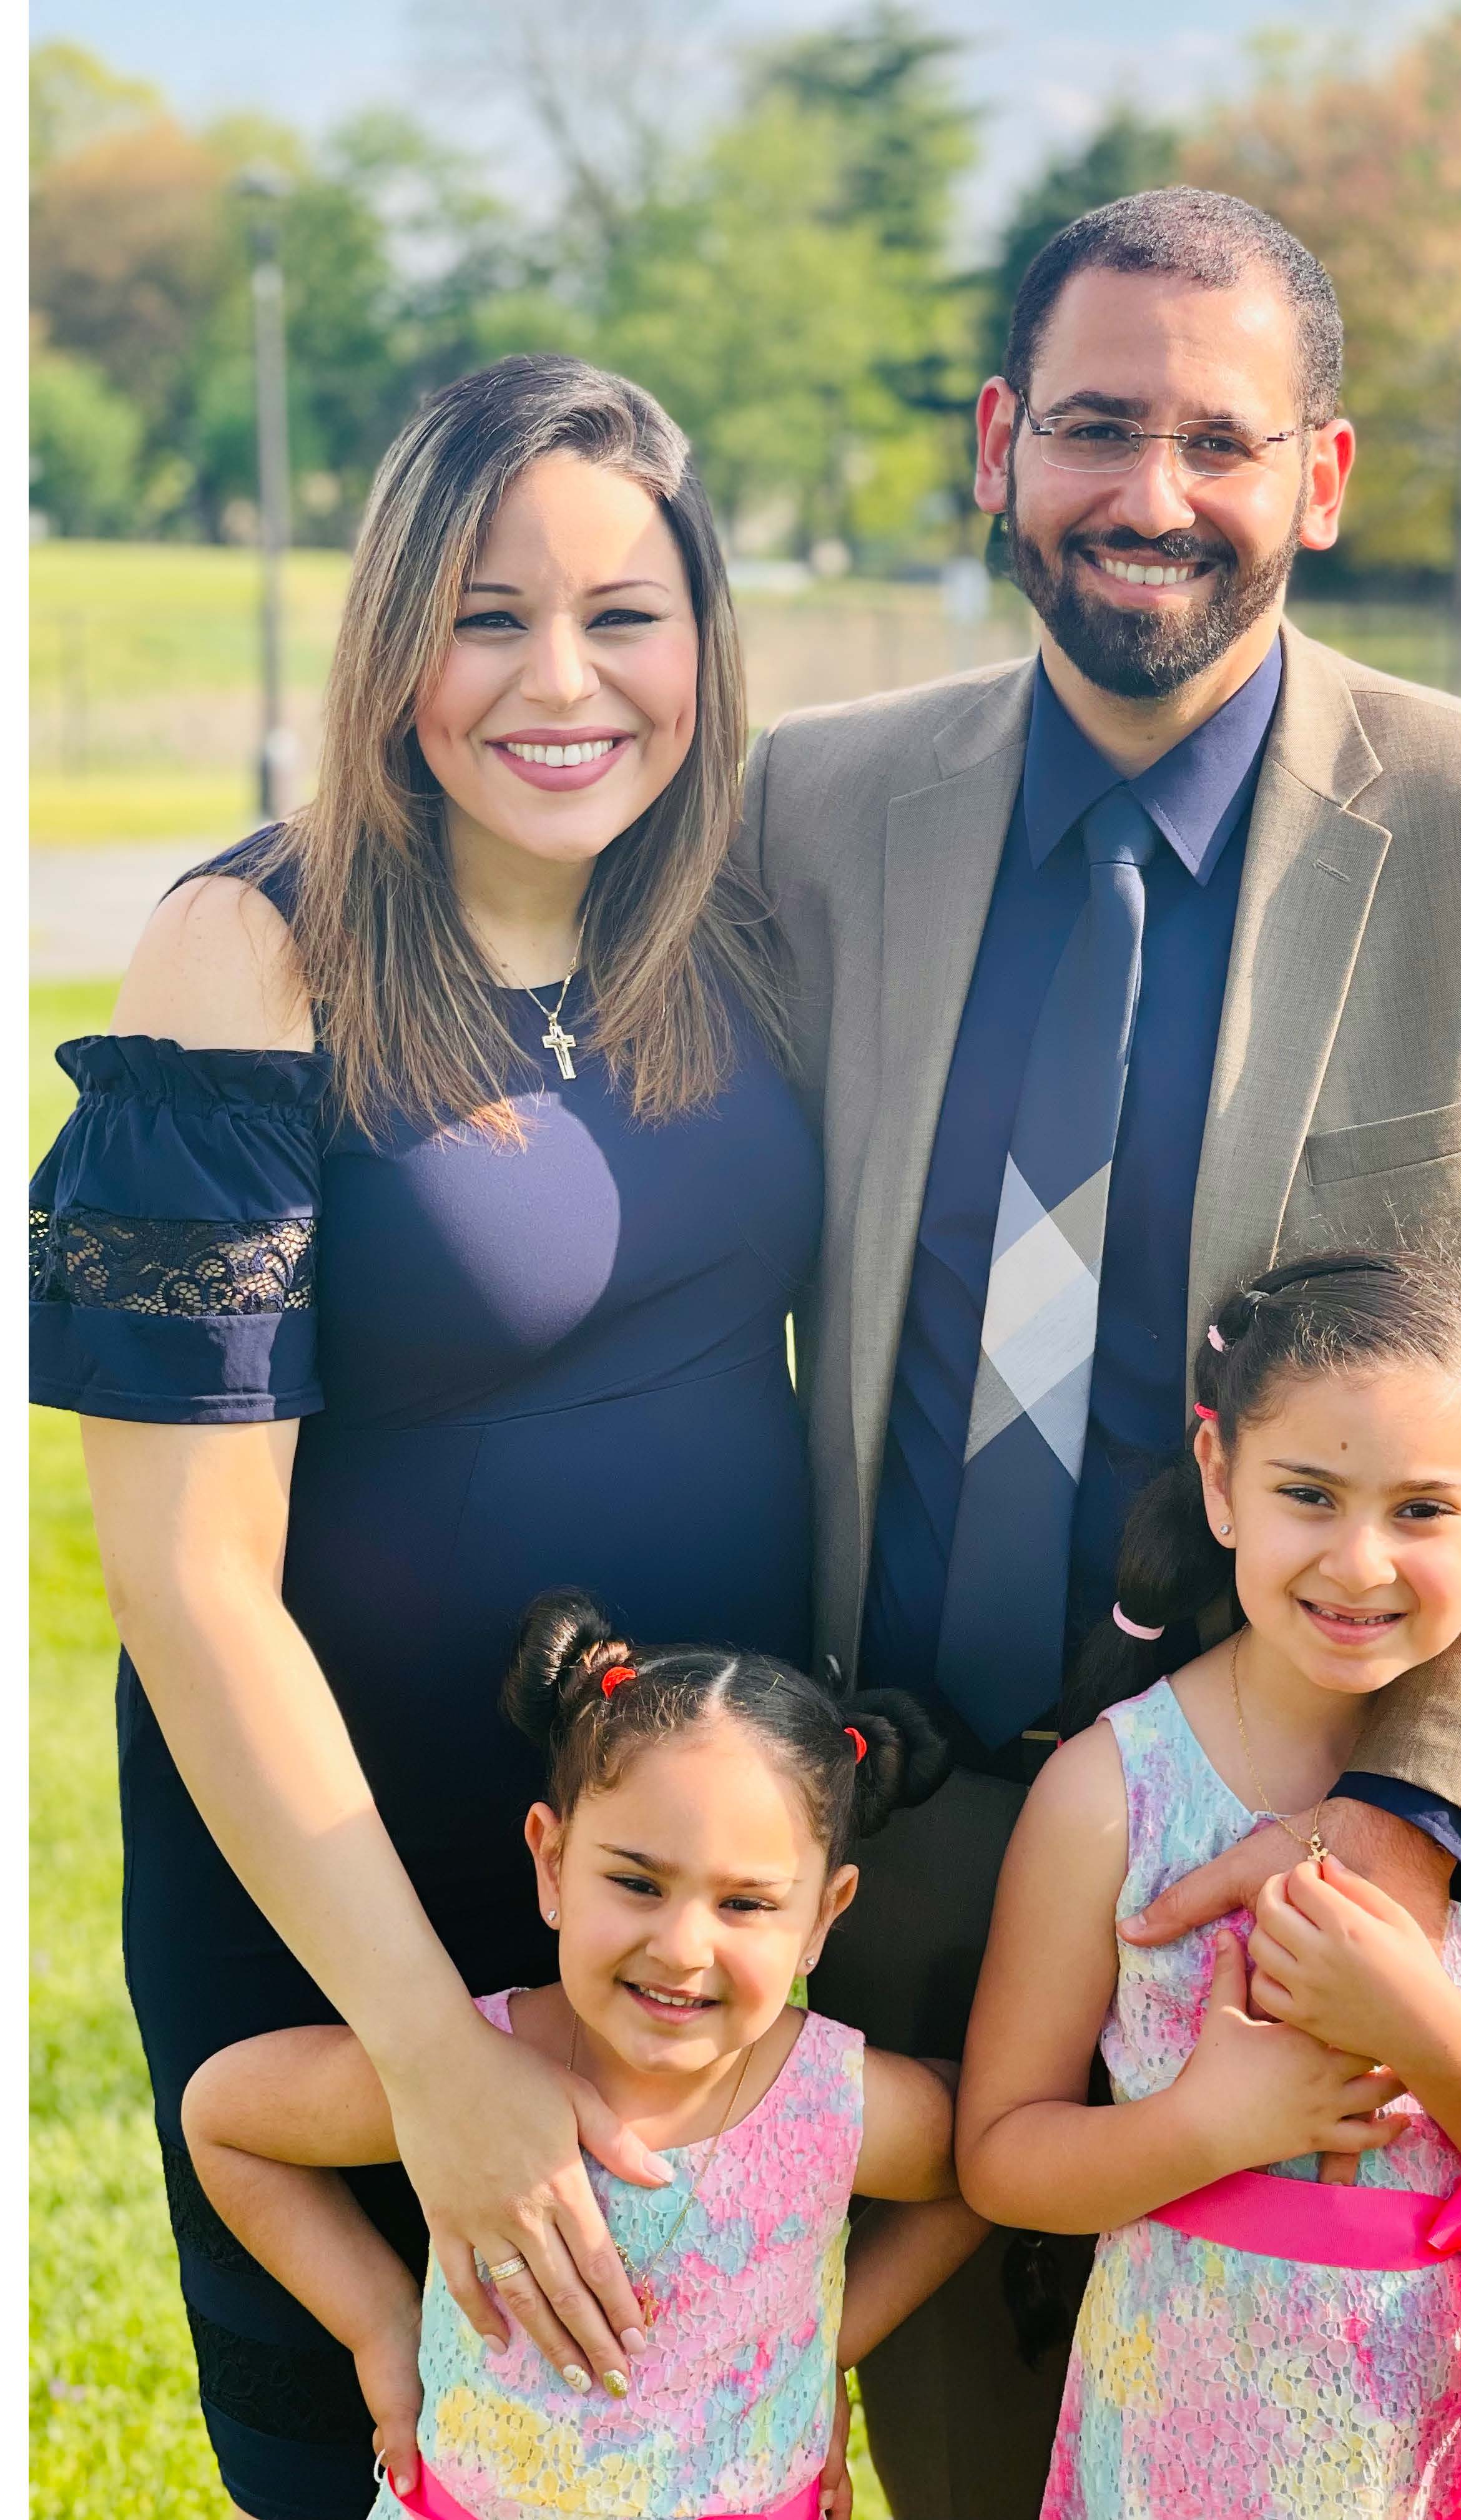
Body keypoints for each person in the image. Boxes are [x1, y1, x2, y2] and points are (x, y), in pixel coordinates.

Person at [735, 187, 1461, 2511]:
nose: (1151, 493)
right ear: (1001, 445)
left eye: (1221, 437)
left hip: (1318, 1862)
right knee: (984, 2470)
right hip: (914, 1826)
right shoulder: (811, 808)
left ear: (1322, 474)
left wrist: (1412, 1821)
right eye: (1095, 426)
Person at [29, 357, 827, 2519]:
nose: (559, 680)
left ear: (704, 645)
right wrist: (434, 2052)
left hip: (694, 1890)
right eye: (486, 613)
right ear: (392, 638)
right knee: (396, 2456)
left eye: (622, 614)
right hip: (357, 1894)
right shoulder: (246, 955)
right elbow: (188, 1579)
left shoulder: (734, 913)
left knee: (707, 2445)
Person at [957, 1252, 1461, 2519]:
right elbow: (1002, 2158)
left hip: (1456, 2433)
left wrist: (1419, 2025)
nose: (1358, 1561)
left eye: (1424, 1512)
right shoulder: (1112, 1792)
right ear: (1221, 1480)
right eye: (1311, 1495)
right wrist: (1216, 2126)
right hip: (1186, 2428)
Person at [182, 1590, 986, 2520]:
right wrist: (379, 2324)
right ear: (552, 1860)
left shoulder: (832, 2103)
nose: (684, 1946)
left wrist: (826, 2348)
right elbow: (227, 2121)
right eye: (638, 1881)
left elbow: (986, 2162)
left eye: (747, 1904)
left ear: (823, 1916)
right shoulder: (468, 2071)